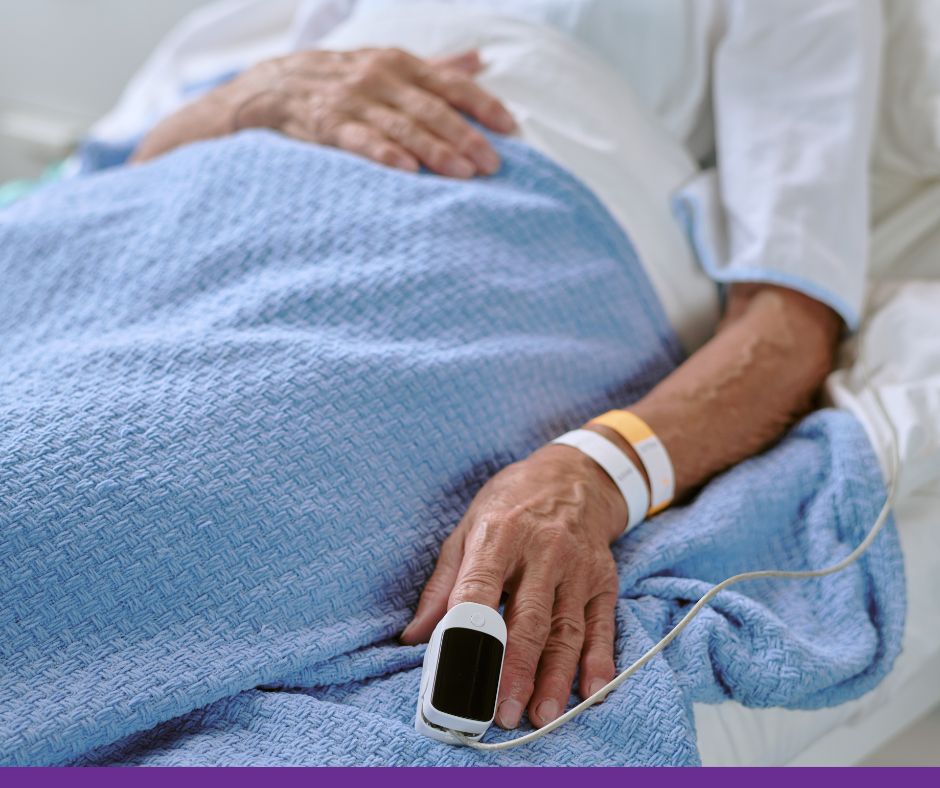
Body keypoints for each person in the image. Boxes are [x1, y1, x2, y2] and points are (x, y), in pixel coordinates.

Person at [123, 0, 879, 733]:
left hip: (486, 248)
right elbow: (124, 168)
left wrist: (593, 474)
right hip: (178, 223)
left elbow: (790, 321)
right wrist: (254, 95)